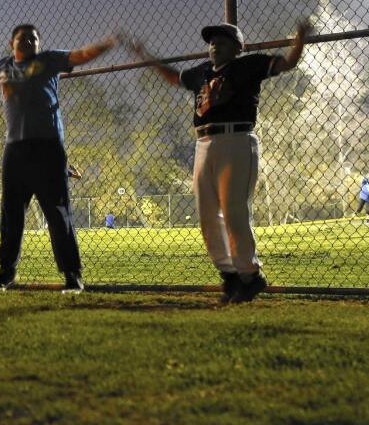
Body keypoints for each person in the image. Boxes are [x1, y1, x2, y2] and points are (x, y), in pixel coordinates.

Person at [127, 20, 311, 304]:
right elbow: (175, 78)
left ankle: (250, 275)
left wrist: (299, 39)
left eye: (223, 41)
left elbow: (287, 63)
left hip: (236, 139)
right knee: (207, 215)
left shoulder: (247, 65)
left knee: (234, 211)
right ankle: (230, 276)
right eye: (212, 41)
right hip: (203, 143)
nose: (214, 45)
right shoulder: (201, 72)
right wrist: (146, 57)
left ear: (238, 48)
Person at [0, 24, 119, 294]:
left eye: (35, 38)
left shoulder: (48, 60)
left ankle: (72, 275)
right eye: (24, 37)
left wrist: (107, 43)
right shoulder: (3, 67)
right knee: (11, 216)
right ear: (12, 43)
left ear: (39, 43)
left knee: (58, 213)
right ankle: (5, 274)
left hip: (48, 149)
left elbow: (79, 55)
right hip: (15, 150)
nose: (30, 41)